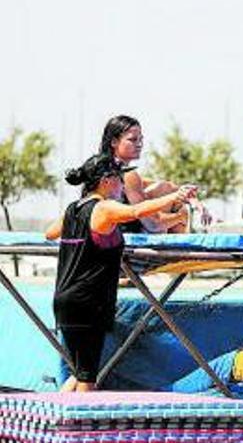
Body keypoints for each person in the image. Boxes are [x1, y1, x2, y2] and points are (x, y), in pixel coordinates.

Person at [45, 153, 197, 392]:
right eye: (119, 180)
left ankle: (57, 424)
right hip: (88, 303)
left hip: (65, 300)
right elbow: (137, 211)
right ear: (106, 180)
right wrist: (174, 197)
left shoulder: (73, 209)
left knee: (81, 372)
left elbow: (50, 233)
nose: (122, 186)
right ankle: (76, 427)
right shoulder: (103, 208)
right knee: (86, 380)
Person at [99, 114, 211, 233]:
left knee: (164, 188)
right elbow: (153, 224)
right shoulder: (127, 175)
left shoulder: (100, 168)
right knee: (171, 201)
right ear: (114, 142)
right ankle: (182, 246)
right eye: (132, 140)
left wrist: (192, 200)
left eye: (141, 139)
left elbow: (169, 187)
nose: (139, 144)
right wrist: (182, 216)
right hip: (121, 236)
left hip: (105, 232)